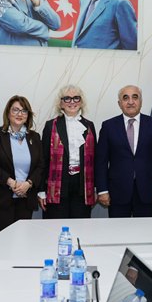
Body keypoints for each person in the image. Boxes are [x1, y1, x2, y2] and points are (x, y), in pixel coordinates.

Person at [95, 85, 152, 217]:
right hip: (117, 192)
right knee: (118, 229)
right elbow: (101, 161)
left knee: (146, 229)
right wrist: (102, 190)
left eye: (135, 97)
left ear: (141, 101)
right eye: (125, 98)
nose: (130, 102)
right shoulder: (108, 126)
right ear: (119, 103)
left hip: (148, 191)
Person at [0, 96, 44, 234]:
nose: (19, 114)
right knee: (2, 242)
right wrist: (12, 183)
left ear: (28, 115)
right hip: (1, 198)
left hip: (25, 198)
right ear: (8, 113)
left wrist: (28, 184)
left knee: (23, 240)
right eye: (15, 110)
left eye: (24, 111)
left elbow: (41, 165)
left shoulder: (34, 137)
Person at [38, 86, 95, 219]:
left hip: (82, 187)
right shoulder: (50, 125)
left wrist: (95, 188)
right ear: (61, 103)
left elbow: (95, 160)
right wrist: (41, 191)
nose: (72, 102)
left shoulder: (89, 125)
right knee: (56, 225)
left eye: (76, 98)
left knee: (81, 225)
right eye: (67, 98)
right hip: (57, 186)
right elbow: (43, 160)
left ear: (81, 102)